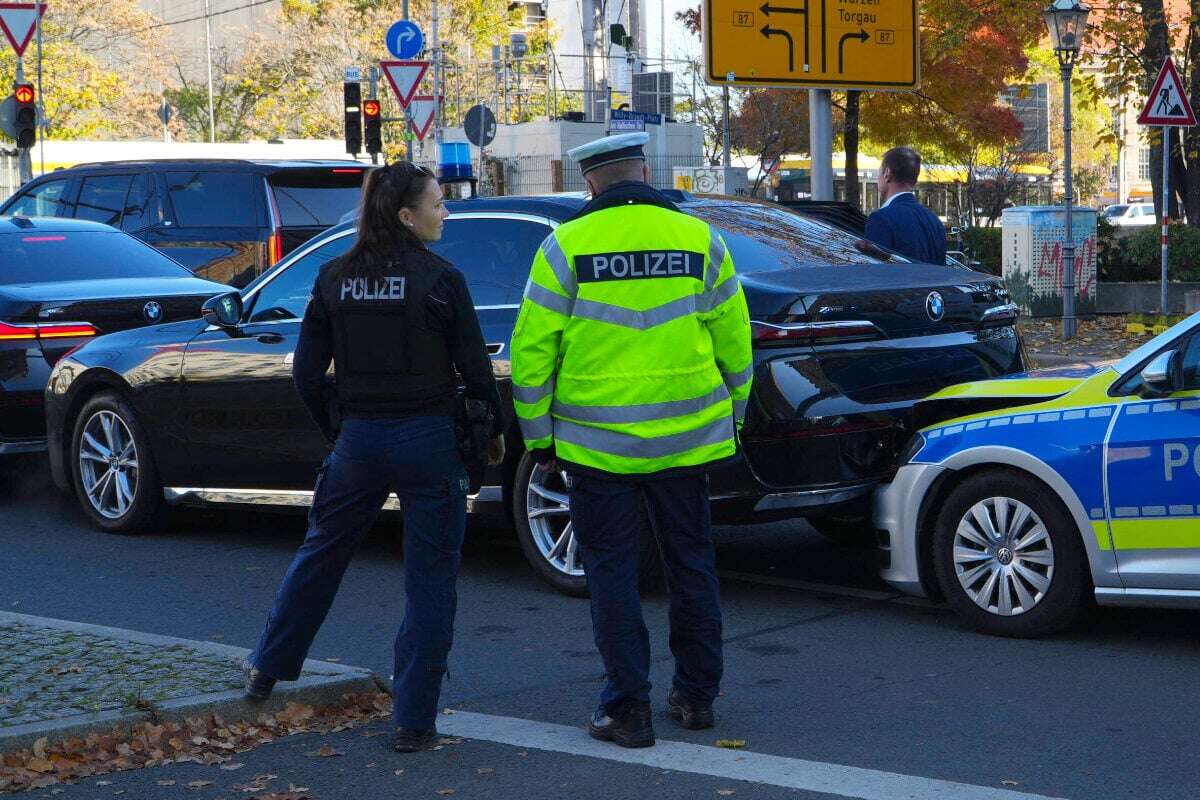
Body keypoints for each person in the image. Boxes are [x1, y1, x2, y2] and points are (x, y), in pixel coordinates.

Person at [242, 162, 505, 754]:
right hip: (428, 440)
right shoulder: (440, 279)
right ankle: (414, 722)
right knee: (429, 580)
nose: (445, 212)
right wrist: (490, 433)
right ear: (407, 215)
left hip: (359, 441)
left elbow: (307, 374)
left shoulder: (334, 276)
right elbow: (477, 373)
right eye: (438, 204)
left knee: (321, 553)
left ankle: (268, 668)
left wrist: (339, 430)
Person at [510, 132, 753, 749]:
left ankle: (628, 709)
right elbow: (735, 344)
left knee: (614, 576)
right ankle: (697, 697)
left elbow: (532, 355)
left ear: (591, 182)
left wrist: (540, 439)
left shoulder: (565, 245)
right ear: (645, 170)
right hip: (686, 442)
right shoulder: (701, 240)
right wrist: (734, 417)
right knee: (691, 566)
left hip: (598, 448)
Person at [863, 146, 947, 265]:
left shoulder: (881, 219)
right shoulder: (934, 221)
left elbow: (876, 275)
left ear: (887, 173)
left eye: (879, 172)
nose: (878, 178)